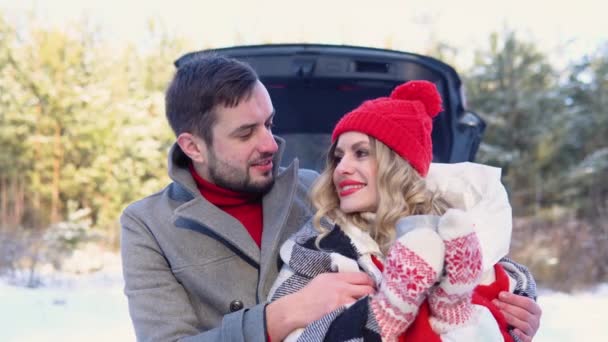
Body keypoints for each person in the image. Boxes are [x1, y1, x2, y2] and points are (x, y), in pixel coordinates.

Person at [120, 53, 542, 341]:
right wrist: (281, 316)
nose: (270, 143)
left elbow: (426, 226)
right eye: (246, 133)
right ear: (193, 147)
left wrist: (510, 306)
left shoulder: (320, 191)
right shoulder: (149, 224)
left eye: (269, 123)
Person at [268, 80, 538, 341]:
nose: (341, 168)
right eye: (338, 157)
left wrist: (518, 321)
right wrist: (381, 315)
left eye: (361, 153)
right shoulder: (318, 248)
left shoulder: (461, 233)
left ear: (398, 164)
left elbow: (505, 314)